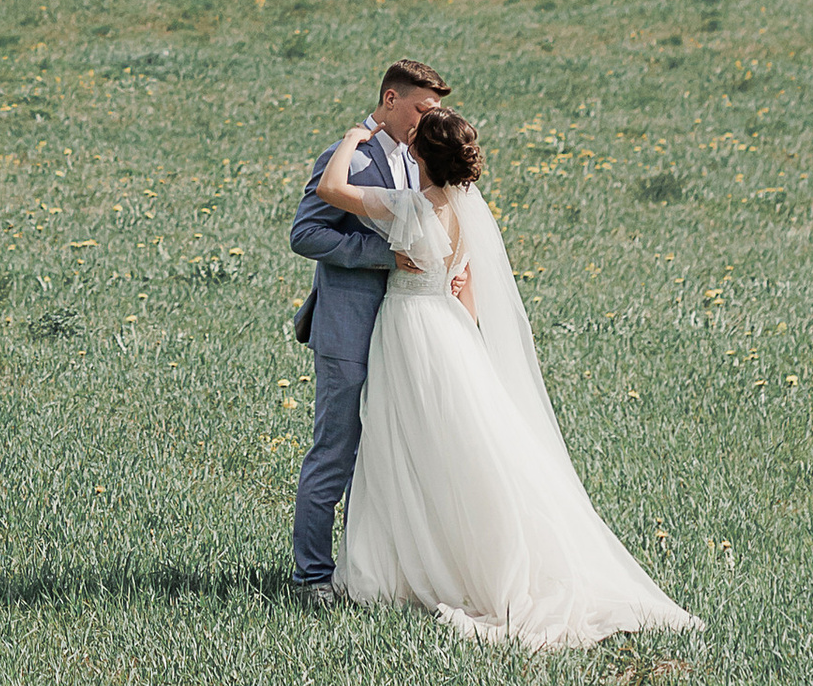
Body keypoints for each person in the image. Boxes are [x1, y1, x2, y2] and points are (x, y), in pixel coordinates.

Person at [311, 103, 700, 649]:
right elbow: (464, 282)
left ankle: (408, 562)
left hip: (408, 329)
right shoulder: (465, 208)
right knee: (452, 444)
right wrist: (465, 342)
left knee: (404, 444)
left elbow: (331, 189)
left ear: (420, 154)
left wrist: (353, 138)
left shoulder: (407, 207)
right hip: (446, 328)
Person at [284, 57, 451, 601]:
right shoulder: (346, 159)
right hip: (348, 329)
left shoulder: (418, 162)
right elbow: (305, 234)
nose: (427, 121)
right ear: (389, 100)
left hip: (401, 334)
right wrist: (383, 255)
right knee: (336, 452)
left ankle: (361, 573)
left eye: (437, 112)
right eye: (422, 109)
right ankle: (311, 576)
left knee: (383, 454)